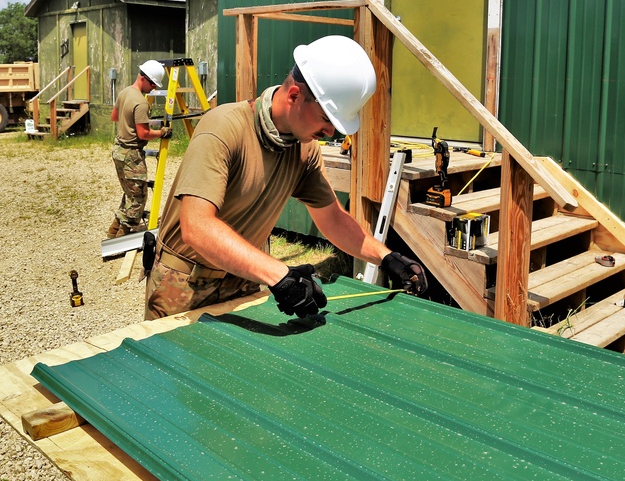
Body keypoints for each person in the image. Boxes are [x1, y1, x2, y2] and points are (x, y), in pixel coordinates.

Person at [145, 35, 428, 320]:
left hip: (245, 279)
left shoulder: (304, 148)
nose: (331, 132)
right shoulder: (223, 128)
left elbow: (332, 218)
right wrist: (279, 274)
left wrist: (385, 257)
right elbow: (196, 226)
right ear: (294, 95)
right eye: (327, 118)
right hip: (186, 284)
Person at [108, 60, 173, 238]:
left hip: (119, 151)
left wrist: (130, 121)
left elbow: (115, 117)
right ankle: (122, 237)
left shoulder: (124, 93)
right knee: (138, 196)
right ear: (144, 78)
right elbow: (143, 134)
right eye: (152, 84)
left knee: (129, 192)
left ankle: (113, 231)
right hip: (131, 154)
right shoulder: (141, 103)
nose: (153, 88)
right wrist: (161, 132)